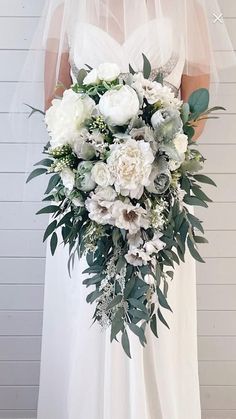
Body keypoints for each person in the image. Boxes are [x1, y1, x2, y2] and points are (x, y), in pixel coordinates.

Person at [25, 1, 232, 418]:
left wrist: (155, 163)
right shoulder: (68, 5)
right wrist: (93, 163)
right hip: (87, 199)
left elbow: (197, 105)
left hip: (157, 200)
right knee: (86, 322)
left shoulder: (187, 7)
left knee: (155, 326)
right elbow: (54, 99)